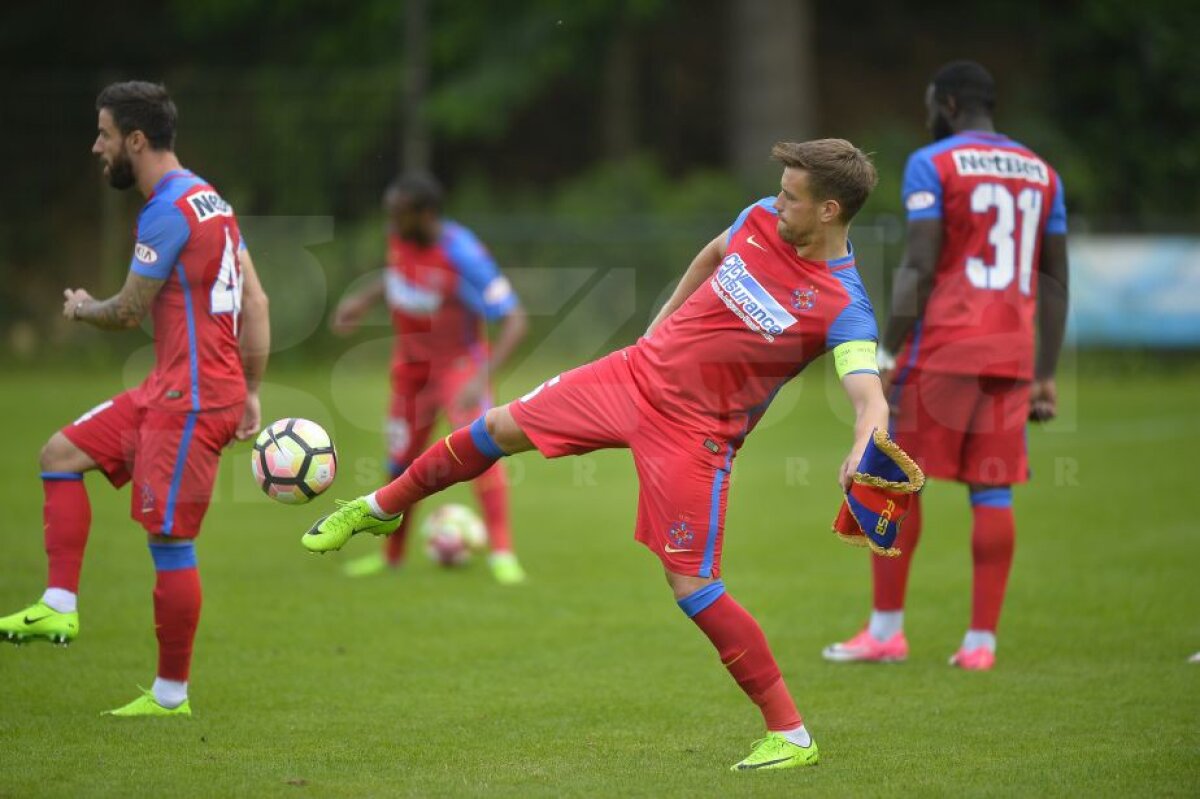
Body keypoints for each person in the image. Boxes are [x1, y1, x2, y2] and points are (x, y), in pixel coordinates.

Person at [304, 139, 891, 771]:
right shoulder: (757, 220)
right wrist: (658, 327)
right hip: (630, 377)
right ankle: (381, 506)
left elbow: (868, 397)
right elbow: (715, 252)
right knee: (494, 428)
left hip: (695, 435)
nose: (775, 203)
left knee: (693, 586)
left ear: (829, 210)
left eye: (790, 197)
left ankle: (791, 734)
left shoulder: (842, 302)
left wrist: (863, 444)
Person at [0, 81, 271, 716]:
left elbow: (125, 312)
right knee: (60, 453)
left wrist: (79, 308)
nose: (98, 146)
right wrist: (253, 390)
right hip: (173, 389)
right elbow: (255, 302)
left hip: (192, 401)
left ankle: (171, 695)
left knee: (170, 539)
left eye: (104, 134)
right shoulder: (212, 200)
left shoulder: (168, 211)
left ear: (136, 140)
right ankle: (59, 607)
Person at [822, 61, 1069, 671]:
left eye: (932, 103)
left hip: (944, 348)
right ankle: (981, 645)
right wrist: (1044, 369)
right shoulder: (1043, 173)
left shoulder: (933, 162)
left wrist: (883, 352)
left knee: (893, 477)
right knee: (992, 490)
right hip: (1010, 353)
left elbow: (920, 263)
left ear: (951, 105)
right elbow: (1057, 278)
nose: (929, 113)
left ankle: (886, 632)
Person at [330, 173, 529, 584]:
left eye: (398, 214)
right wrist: (362, 301)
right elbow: (398, 276)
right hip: (410, 373)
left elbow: (515, 319)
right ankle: (392, 555)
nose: (391, 222)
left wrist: (482, 376)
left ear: (425, 214)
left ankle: (503, 555)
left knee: (482, 451)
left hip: (458, 369)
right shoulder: (400, 239)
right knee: (400, 463)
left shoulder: (463, 254)